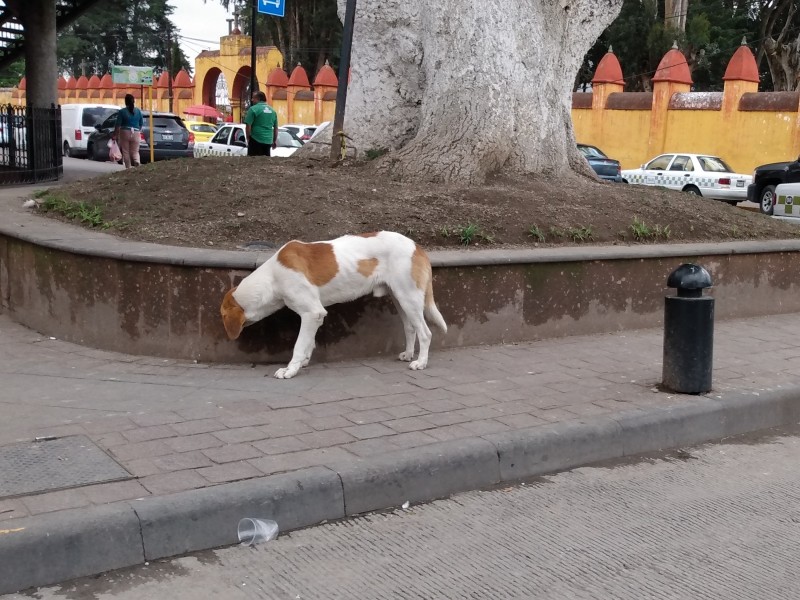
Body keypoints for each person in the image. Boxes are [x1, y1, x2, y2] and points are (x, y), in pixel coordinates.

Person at [112, 94, 144, 168]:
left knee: (126, 151)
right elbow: (141, 123)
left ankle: (128, 167)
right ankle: (137, 161)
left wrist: (115, 134)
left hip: (124, 131)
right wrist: (138, 131)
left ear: (125, 101)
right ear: (134, 101)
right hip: (136, 132)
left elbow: (118, 125)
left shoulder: (122, 112)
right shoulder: (138, 111)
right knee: (135, 151)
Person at [244, 90, 278, 156]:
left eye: (253, 98)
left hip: (255, 140)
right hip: (268, 140)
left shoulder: (253, 109)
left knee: (253, 162)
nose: (252, 100)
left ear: (258, 99)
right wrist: (274, 140)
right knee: (265, 163)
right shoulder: (273, 111)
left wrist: (248, 138)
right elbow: (276, 128)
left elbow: (248, 125)